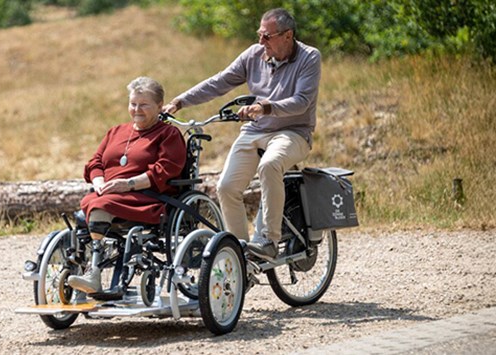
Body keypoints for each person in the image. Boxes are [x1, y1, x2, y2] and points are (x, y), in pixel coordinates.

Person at [162, 8, 321, 260]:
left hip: (293, 132)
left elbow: (301, 102)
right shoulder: (254, 55)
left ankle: (268, 240)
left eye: (267, 36)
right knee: (225, 187)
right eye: (259, 34)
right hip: (254, 130)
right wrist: (180, 101)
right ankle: (239, 252)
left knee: (270, 165)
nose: (261, 42)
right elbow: (219, 82)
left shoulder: (309, 57)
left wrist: (264, 107)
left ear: (288, 35)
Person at [68, 76, 187, 293]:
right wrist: (99, 181)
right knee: (92, 200)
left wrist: (128, 184)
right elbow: (95, 162)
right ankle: (83, 267)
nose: (136, 109)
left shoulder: (168, 134)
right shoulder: (116, 131)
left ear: (160, 106)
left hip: (147, 197)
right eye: (133, 104)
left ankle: (93, 275)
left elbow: (165, 169)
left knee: (100, 204)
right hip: (108, 193)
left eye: (144, 105)